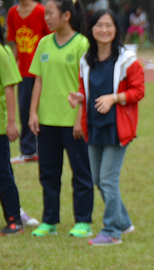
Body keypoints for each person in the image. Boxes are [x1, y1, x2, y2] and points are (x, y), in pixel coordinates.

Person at [68, 9, 144, 246]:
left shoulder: (127, 60)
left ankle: (111, 231)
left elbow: (138, 91)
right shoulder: (85, 60)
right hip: (93, 126)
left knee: (108, 179)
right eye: (99, 25)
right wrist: (79, 97)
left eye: (108, 25)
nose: (103, 30)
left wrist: (115, 98)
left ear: (116, 29)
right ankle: (123, 222)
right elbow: (86, 88)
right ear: (91, 29)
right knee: (99, 180)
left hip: (117, 128)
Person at [28, 0, 94, 238]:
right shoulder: (44, 43)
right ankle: (49, 221)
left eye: (50, 13)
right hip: (47, 119)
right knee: (48, 173)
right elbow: (38, 80)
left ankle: (83, 221)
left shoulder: (82, 43)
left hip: (72, 122)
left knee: (81, 172)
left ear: (66, 15)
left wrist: (79, 119)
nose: (46, 17)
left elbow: (84, 83)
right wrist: (33, 113)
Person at [6, 0, 50, 164]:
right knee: (24, 110)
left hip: (43, 71)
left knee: (44, 110)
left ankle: (45, 148)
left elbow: (50, 39)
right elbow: (15, 44)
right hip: (23, 72)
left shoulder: (42, 11)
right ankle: (28, 151)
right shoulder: (12, 13)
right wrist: (11, 69)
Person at [0, 29, 25, 235]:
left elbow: (9, 87)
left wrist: (11, 122)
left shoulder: (2, 52)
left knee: (2, 173)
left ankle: (14, 220)